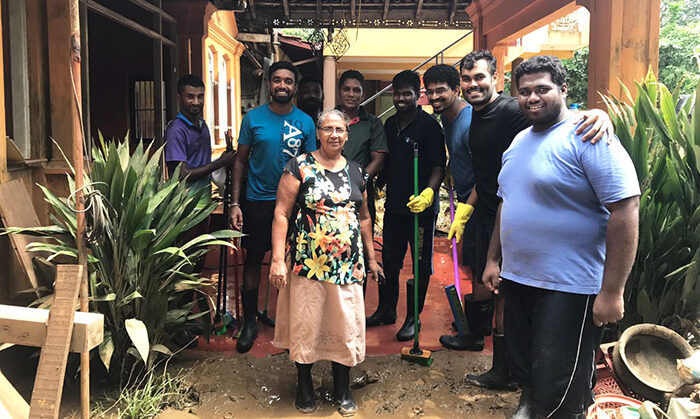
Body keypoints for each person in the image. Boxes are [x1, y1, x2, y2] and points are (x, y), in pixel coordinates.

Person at [484, 55, 640, 418]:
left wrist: (612, 291)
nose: (533, 98)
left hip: (569, 284)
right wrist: (494, 259)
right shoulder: (520, 140)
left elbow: (625, 208)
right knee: (526, 363)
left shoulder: (589, 134)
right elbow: (508, 203)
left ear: (564, 90)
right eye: (524, 92)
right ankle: (532, 405)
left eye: (542, 89)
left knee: (562, 380)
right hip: (520, 276)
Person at [270, 109, 382, 416]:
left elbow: (365, 218)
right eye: (328, 128)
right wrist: (278, 259)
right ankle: (304, 384)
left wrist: (372, 259)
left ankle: (341, 387)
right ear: (318, 133)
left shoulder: (357, 171)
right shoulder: (299, 167)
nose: (334, 134)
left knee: (344, 325)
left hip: (348, 266)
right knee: (307, 323)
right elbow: (281, 213)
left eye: (340, 129)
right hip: (308, 264)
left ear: (347, 135)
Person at [230, 61, 317, 353]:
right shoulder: (252, 119)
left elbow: (310, 167)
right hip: (257, 201)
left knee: (295, 264)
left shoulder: (306, 122)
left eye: (288, 81)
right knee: (253, 260)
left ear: (295, 86)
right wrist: (234, 203)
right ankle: (250, 322)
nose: (283, 86)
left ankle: (293, 321)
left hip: (294, 206)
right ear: (269, 83)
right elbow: (240, 161)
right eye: (277, 80)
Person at [367, 70, 446, 341]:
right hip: (395, 208)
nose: (401, 98)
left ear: (417, 94)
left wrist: (428, 192)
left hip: (421, 211)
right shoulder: (389, 125)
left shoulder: (429, 126)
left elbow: (439, 165)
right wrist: (379, 181)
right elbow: (387, 161)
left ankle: (414, 318)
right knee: (389, 260)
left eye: (407, 94)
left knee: (421, 265)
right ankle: (386, 309)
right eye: (397, 93)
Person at [420, 64, 478, 300]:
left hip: (479, 201)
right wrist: (450, 169)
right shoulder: (447, 117)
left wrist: (467, 208)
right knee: (470, 260)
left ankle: (477, 329)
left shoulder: (470, 121)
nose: (434, 97)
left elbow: (487, 172)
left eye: (440, 91)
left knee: (478, 263)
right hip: (466, 196)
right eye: (430, 91)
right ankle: (474, 322)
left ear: (457, 89)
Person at [335, 70, 387, 226]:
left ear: (363, 95)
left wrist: (357, 182)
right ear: (339, 92)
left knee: (362, 241)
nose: (351, 94)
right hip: (329, 190)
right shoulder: (328, 119)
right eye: (346, 89)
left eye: (356, 90)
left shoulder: (373, 123)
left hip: (361, 192)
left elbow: (378, 160)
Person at [164, 74, 235, 189]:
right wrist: (219, 163)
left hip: (204, 198)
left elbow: (200, 163)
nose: (196, 102)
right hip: (183, 202)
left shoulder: (203, 125)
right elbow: (182, 174)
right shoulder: (176, 130)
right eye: (190, 97)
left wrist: (223, 159)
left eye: (200, 96)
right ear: (179, 98)